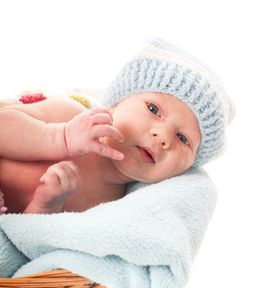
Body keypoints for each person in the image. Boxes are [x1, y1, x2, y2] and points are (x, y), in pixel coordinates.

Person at [0, 37, 234, 215]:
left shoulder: (110, 207)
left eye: (183, 138)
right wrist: (59, 138)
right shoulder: (68, 115)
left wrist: (46, 204)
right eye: (153, 109)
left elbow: (30, 242)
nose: (163, 136)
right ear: (116, 103)